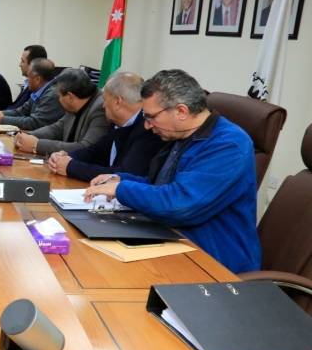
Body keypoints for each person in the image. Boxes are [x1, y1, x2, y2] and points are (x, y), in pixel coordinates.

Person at [84, 69, 260, 273]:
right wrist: (120, 179)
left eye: (151, 117)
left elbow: (180, 204)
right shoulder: (181, 136)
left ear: (181, 112)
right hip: (174, 240)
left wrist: (121, 189)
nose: (147, 126)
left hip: (214, 263)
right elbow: (161, 185)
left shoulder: (229, 145)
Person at [47, 71, 163, 183]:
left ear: (117, 102)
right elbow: (95, 151)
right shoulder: (118, 123)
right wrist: (65, 156)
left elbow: (122, 174)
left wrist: (71, 167)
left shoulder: (148, 128)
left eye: (105, 100)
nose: (103, 105)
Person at [15, 68, 109, 156]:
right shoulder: (75, 104)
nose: (58, 99)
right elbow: (56, 129)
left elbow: (86, 147)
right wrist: (28, 136)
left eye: (59, 95)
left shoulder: (100, 108)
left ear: (70, 97)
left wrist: (37, 145)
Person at [0, 58, 62, 130]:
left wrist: (2, 119)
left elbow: (35, 122)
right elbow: (21, 111)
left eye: (28, 76)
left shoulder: (52, 95)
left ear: (37, 79)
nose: (27, 81)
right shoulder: (39, 92)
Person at [8, 45, 48, 110]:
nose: (20, 65)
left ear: (32, 65)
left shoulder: (36, 87)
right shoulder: (28, 83)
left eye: (23, 61)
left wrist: (0, 115)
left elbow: (21, 112)